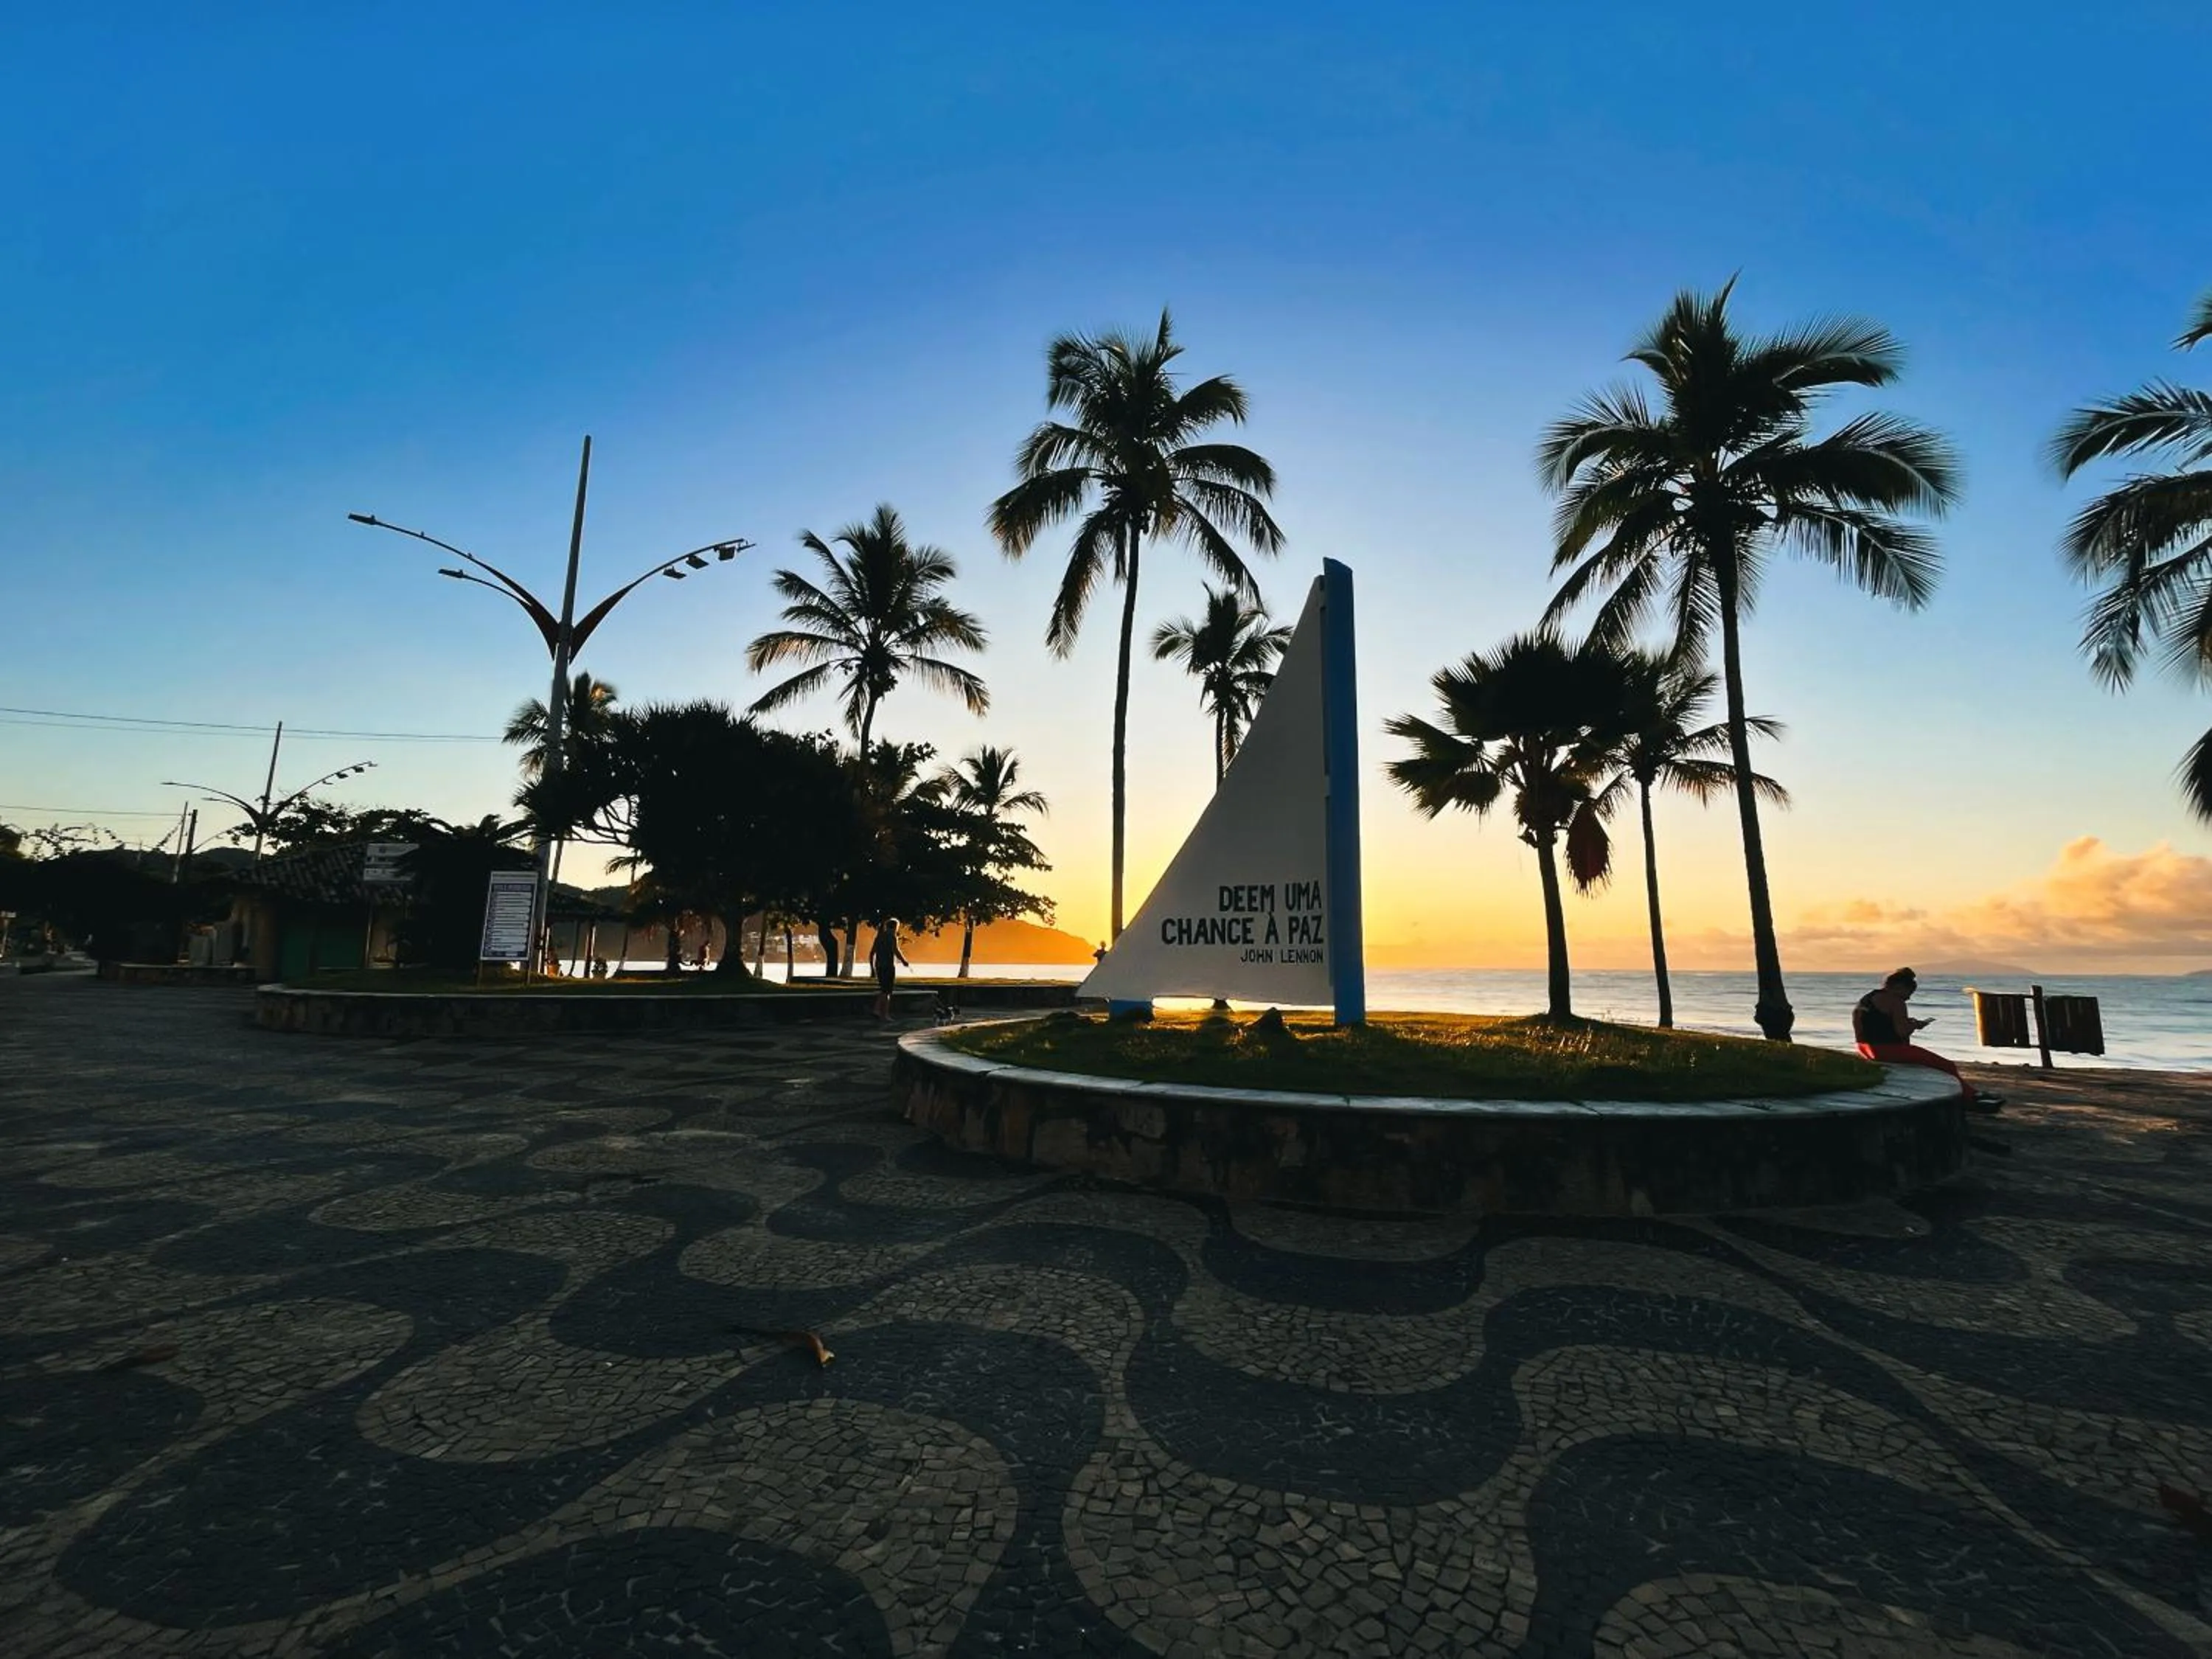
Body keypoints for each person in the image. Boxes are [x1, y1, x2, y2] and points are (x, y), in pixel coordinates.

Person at [1852, 968, 2003, 1113]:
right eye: (1909, 993)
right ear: (1899, 987)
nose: (1909, 998)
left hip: (1863, 1048)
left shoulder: (1868, 998)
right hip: (1886, 1050)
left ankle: (1972, 1094)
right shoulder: (1895, 1001)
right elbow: (1902, 1031)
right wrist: (1915, 1025)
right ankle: (1970, 1099)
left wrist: (1907, 1023)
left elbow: (1875, 1024)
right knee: (1947, 1065)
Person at [870, 917, 911, 1019]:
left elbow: (872, 953)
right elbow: (896, 951)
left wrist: (872, 968)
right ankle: (885, 1015)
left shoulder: (879, 937)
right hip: (888, 966)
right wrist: (904, 961)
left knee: (883, 990)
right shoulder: (892, 937)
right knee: (887, 991)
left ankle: (876, 1010)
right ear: (895, 927)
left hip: (879, 966)